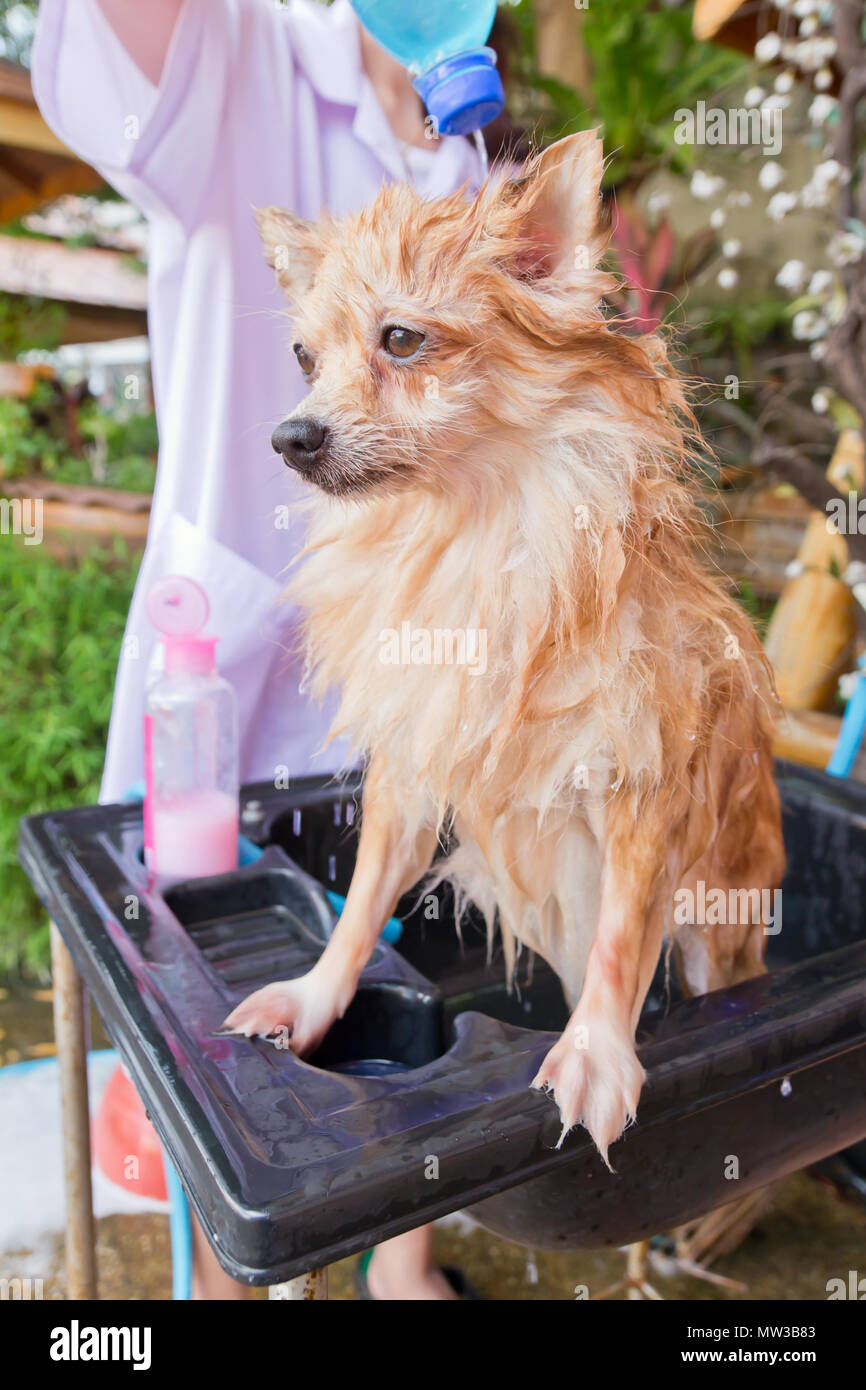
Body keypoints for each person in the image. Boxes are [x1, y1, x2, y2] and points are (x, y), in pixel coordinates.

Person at [32, 0, 524, 1300]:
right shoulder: (238, 43)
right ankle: (243, 1278)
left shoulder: (477, 136)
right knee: (233, 1017)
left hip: (444, 653)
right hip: (240, 677)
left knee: (439, 963)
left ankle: (401, 1265)